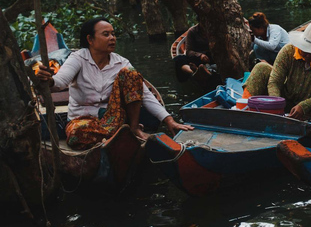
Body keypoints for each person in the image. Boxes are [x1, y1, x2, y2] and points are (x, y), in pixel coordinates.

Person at [35, 18, 193, 150]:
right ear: (90, 40)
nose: (112, 38)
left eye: (113, 34)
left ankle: (133, 127)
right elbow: (59, 82)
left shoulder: (121, 62)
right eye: (106, 34)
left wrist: (169, 120)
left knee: (131, 74)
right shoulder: (78, 58)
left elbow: (145, 94)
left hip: (115, 118)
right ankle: (118, 135)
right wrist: (49, 80)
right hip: (83, 120)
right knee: (77, 133)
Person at [243, 21, 311, 120]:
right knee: (261, 68)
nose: (308, 55)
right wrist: (276, 103)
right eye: (305, 50)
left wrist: (304, 106)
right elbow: (275, 81)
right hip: (285, 98)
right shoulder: (288, 51)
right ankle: (244, 110)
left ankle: (292, 118)